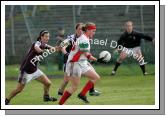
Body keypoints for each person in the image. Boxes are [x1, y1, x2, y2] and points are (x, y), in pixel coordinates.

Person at [5, 30, 58, 105]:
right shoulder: (37, 43)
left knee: (48, 83)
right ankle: (6, 100)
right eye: (46, 36)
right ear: (41, 37)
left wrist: (57, 48)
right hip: (26, 70)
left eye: (48, 36)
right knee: (19, 89)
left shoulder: (44, 44)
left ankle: (46, 97)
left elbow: (52, 48)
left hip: (34, 70)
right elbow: (37, 48)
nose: (47, 38)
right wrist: (44, 51)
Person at [58, 22, 102, 105]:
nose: (94, 33)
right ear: (88, 30)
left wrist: (93, 58)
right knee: (74, 87)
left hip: (82, 62)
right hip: (76, 63)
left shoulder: (85, 38)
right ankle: (60, 105)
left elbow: (85, 53)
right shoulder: (83, 39)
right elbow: (86, 54)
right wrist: (96, 59)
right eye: (93, 31)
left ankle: (82, 94)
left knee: (96, 77)